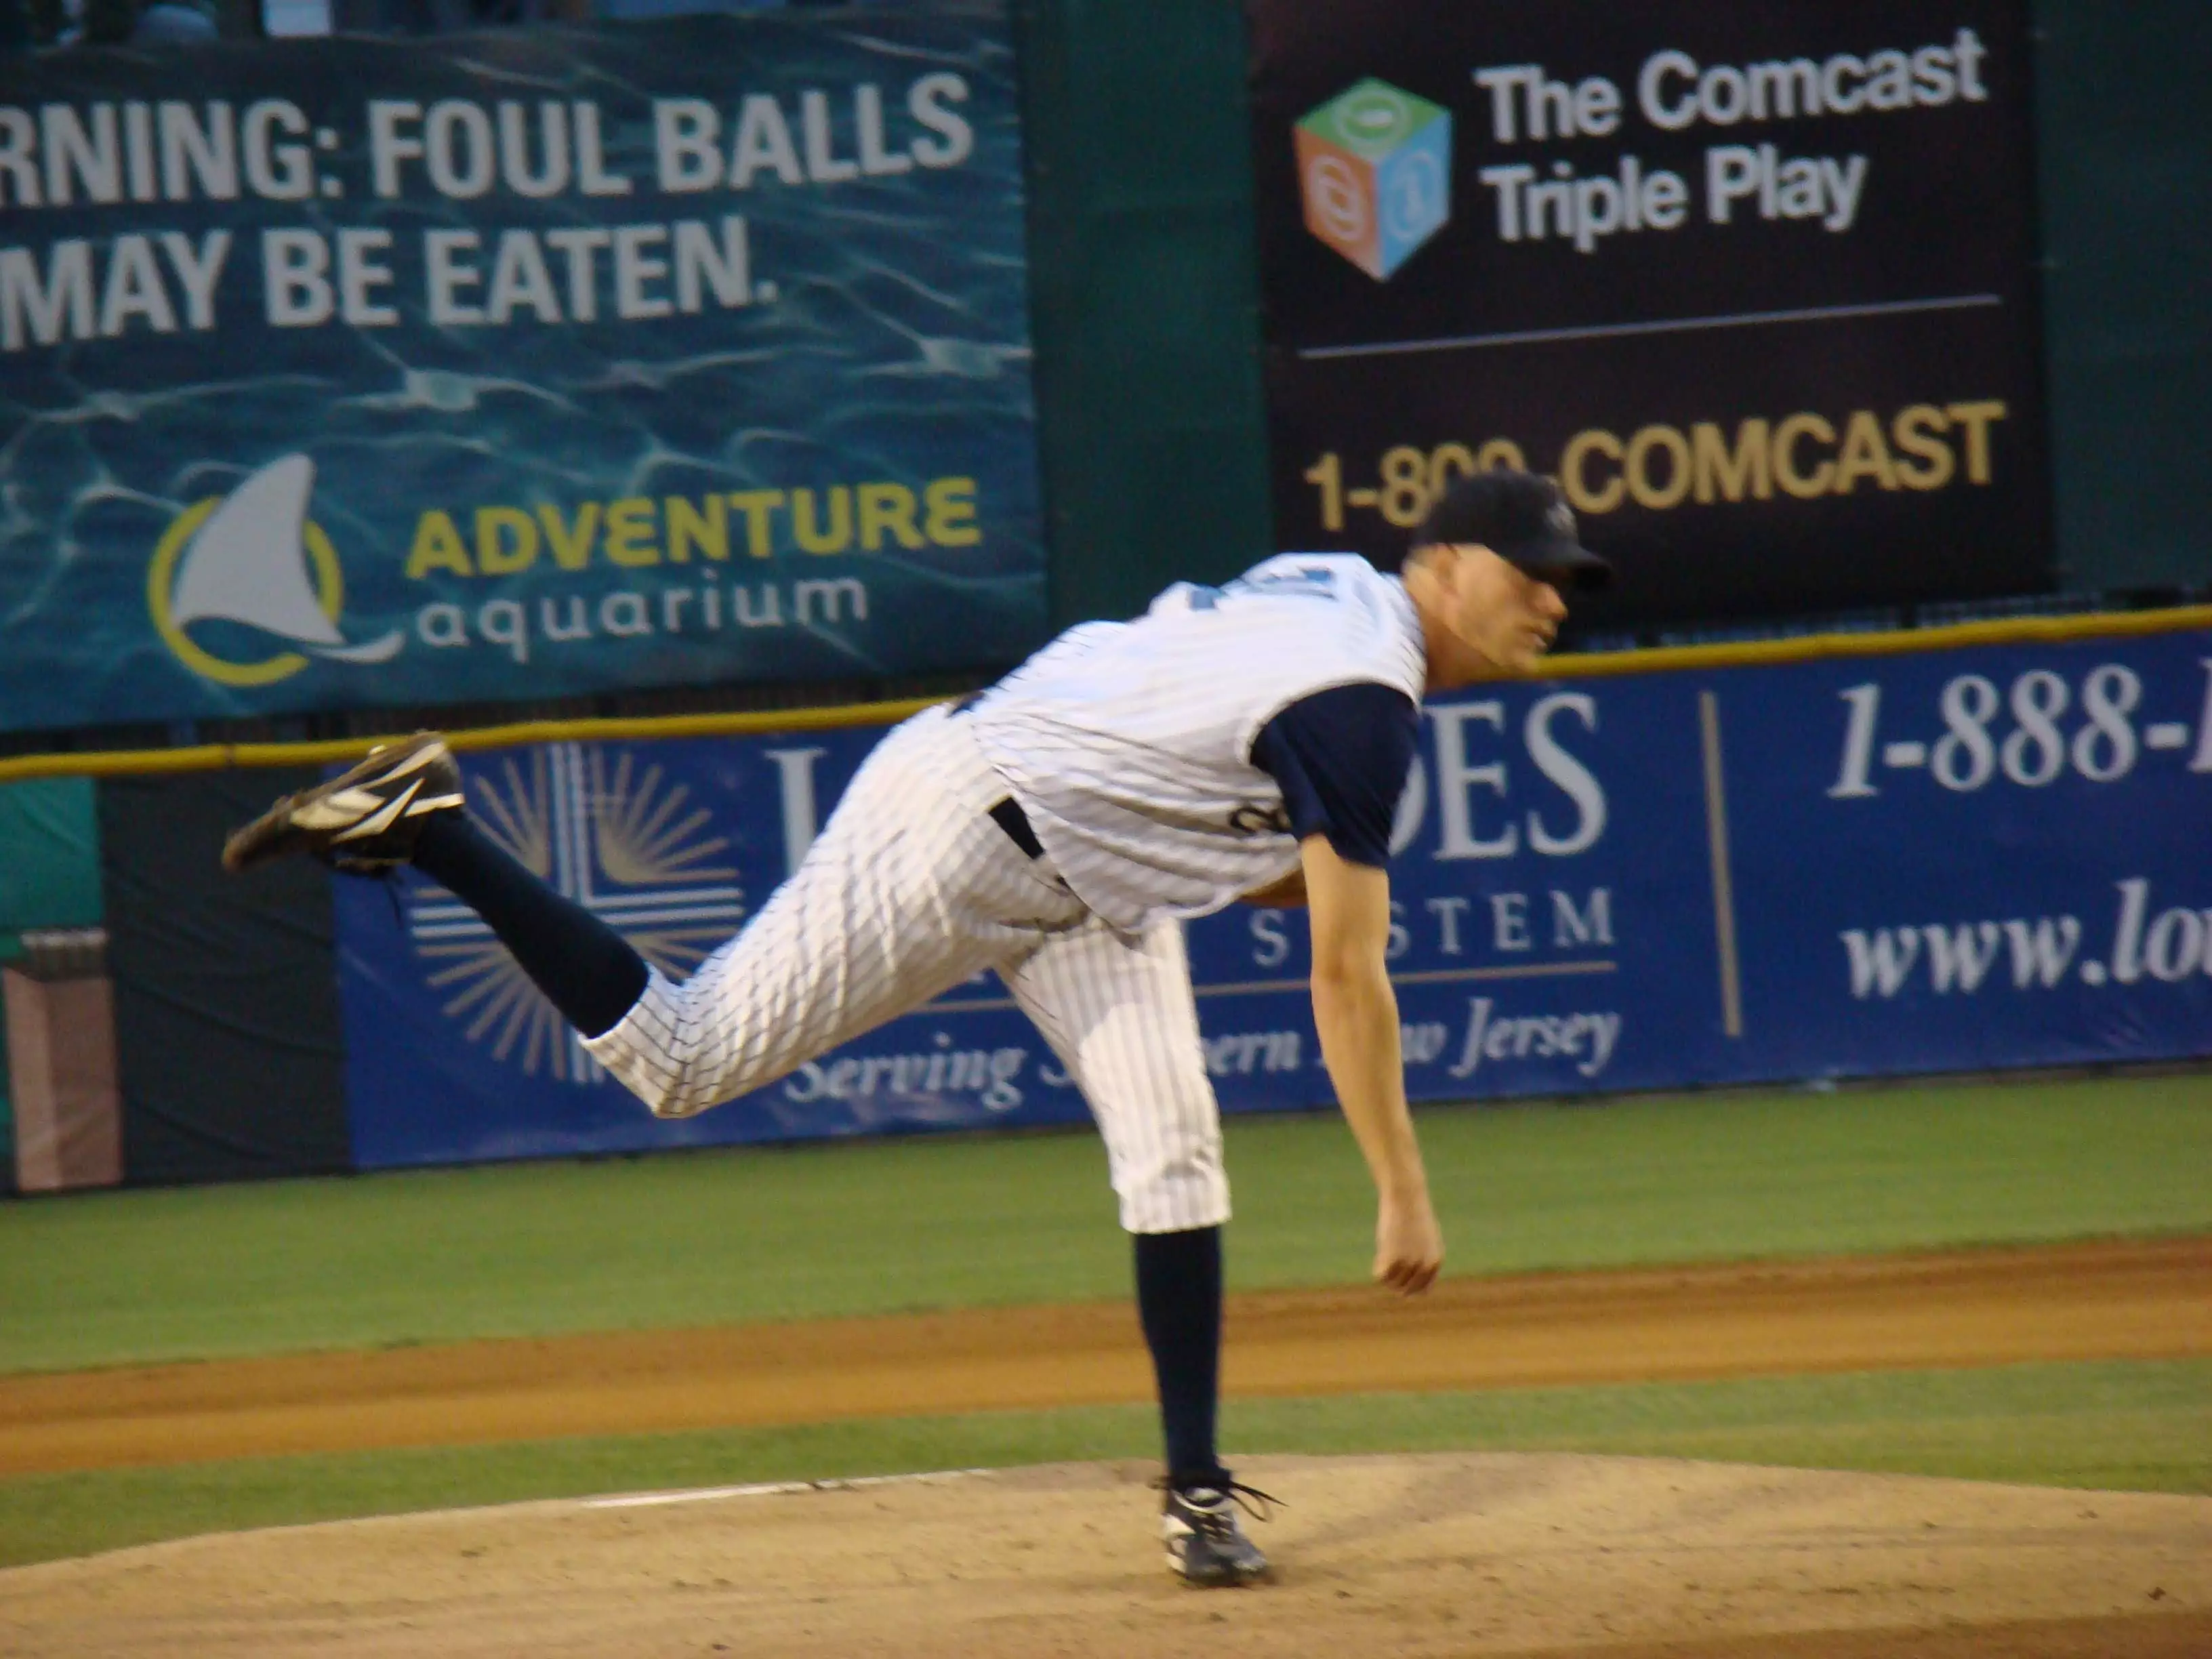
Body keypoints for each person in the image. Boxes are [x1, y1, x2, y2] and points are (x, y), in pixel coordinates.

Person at [223, 468, 1607, 1586]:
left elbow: (1217, 779)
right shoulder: (1364, 701)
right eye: (1525, 569)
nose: (1550, 598)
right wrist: (1402, 1192)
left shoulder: (1338, 595)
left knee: (1177, 1150)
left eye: (1567, 581)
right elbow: (1345, 979)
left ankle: (1195, 1497)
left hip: (1087, 872)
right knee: (685, 1060)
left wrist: (1263, 851)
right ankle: (438, 827)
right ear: (1439, 565)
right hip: (961, 825)